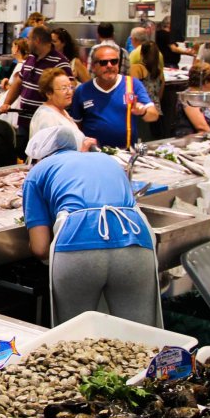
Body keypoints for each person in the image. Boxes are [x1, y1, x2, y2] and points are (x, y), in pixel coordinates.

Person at [22, 126, 160, 327]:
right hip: (135, 241)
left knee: (76, 337)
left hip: (77, 244)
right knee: (139, 335)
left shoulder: (37, 172)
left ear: (38, 156)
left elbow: (40, 248)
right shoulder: (107, 160)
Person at [0, 27, 73, 159]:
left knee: (40, 158)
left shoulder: (60, 63)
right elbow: (19, 82)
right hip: (24, 121)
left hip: (45, 124)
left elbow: (68, 90)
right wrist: (7, 103)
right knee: (22, 156)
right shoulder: (31, 58)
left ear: (37, 40)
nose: (27, 42)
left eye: (29, 39)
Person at [70, 44, 159, 149]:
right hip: (94, 153)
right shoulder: (82, 90)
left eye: (114, 61)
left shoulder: (132, 84)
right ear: (93, 67)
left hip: (126, 152)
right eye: (103, 62)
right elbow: (76, 125)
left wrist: (143, 111)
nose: (109, 65)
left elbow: (154, 115)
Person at [27, 67, 93, 151]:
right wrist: (83, 150)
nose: (70, 92)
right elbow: (50, 155)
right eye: (64, 88)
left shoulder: (61, 110)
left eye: (70, 87)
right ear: (49, 93)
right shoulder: (47, 117)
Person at [129, 41, 166, 140]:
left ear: (141, 54)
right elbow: (160, 95)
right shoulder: (160, 73)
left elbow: (131, 89)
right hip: (157, 115)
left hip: (142, 114)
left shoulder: (137, 69)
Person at [172, 63, 210, 136]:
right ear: (206, 82)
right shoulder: (189, 98)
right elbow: (201, 127)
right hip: (191, 139)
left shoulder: (204, 97)